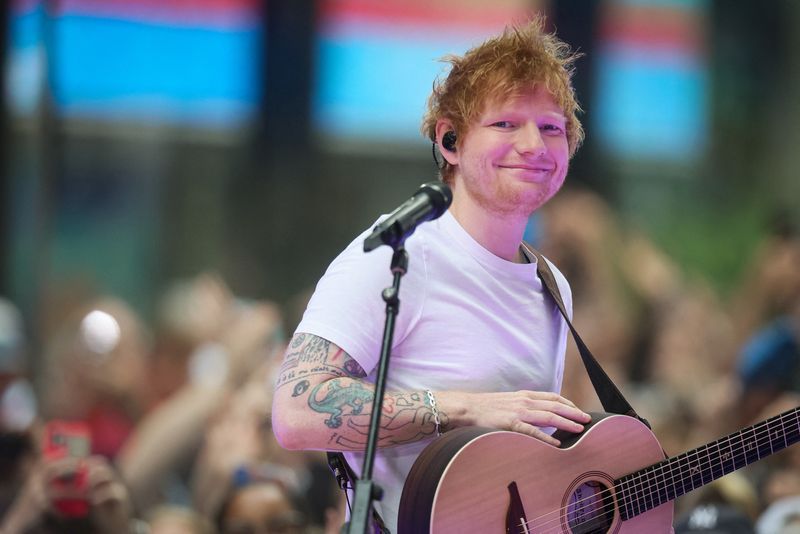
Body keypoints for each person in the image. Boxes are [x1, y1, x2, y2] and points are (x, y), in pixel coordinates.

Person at [271, 16, 591, 532]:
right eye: (506, 123)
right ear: (450, 140)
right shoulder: (398, 255)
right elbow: (295, 412)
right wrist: (465, 408)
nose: (534, 145)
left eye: (551, 127)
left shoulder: (552, 284)